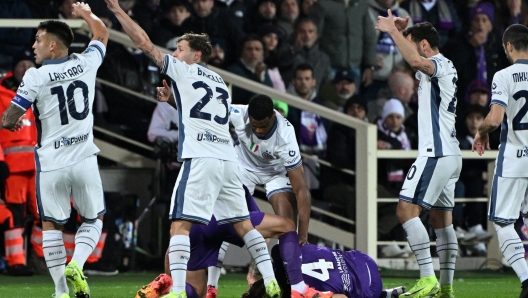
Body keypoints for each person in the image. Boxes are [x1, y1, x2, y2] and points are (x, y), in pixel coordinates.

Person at [104, 1, 281, 297]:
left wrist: (119, 12)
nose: (175, 53)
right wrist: (173, 100)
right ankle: (271, 280)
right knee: (244, 225)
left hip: (200, 158)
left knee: (179, 227)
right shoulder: (221, 83)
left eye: (180, 48)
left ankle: (175, 293)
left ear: (196, 54)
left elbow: (144, 42)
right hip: (227, 161)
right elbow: (207, 115)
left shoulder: (183, 70)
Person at [1, 3, 108, 298]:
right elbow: (101, 34)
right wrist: (86, 13)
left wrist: (10, 121)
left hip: (50, 163)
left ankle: (61, 291)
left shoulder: (34, 76)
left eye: (37, 40)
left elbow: (9, 119)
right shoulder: (87, 62)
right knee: (94, 218)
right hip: (84, 156)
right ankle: (77, 263)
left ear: (51, 45)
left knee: (51, 225)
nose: (33, 46)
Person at [376, 14, 462, 298]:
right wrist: (402, 33)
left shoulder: (435, 64)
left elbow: (414, 60)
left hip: (435, 153)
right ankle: (446, 288)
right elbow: (411, 59)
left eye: (414, 45)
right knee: (441, 220)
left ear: (424, 45)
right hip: (451, 155)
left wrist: (390, 32)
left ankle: (427, 278)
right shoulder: (443, 66)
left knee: (405, 211)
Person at [137, 186, 334, 298]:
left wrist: (169, 272)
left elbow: (178, 232)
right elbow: (258, 235)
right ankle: (299, 290)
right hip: (224, 218)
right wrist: (256, 270)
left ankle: (165, 284)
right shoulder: (235, 167)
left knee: (193, 292)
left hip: (197, 225)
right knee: (287, 225)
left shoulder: (194, 167)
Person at [472, 23, 528, 298]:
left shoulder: (504, 75)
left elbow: (495, 119)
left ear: (508, 46)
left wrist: (481, 132)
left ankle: (527, 280)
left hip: (515, 160)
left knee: (504, 223)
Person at [243, 243, 406, 298]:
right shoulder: (280, 253)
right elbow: (260, 246)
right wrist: (252, 272)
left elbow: (342, 297)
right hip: (363, 258)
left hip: (370, 288)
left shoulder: (299, 293)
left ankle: (380, 296)